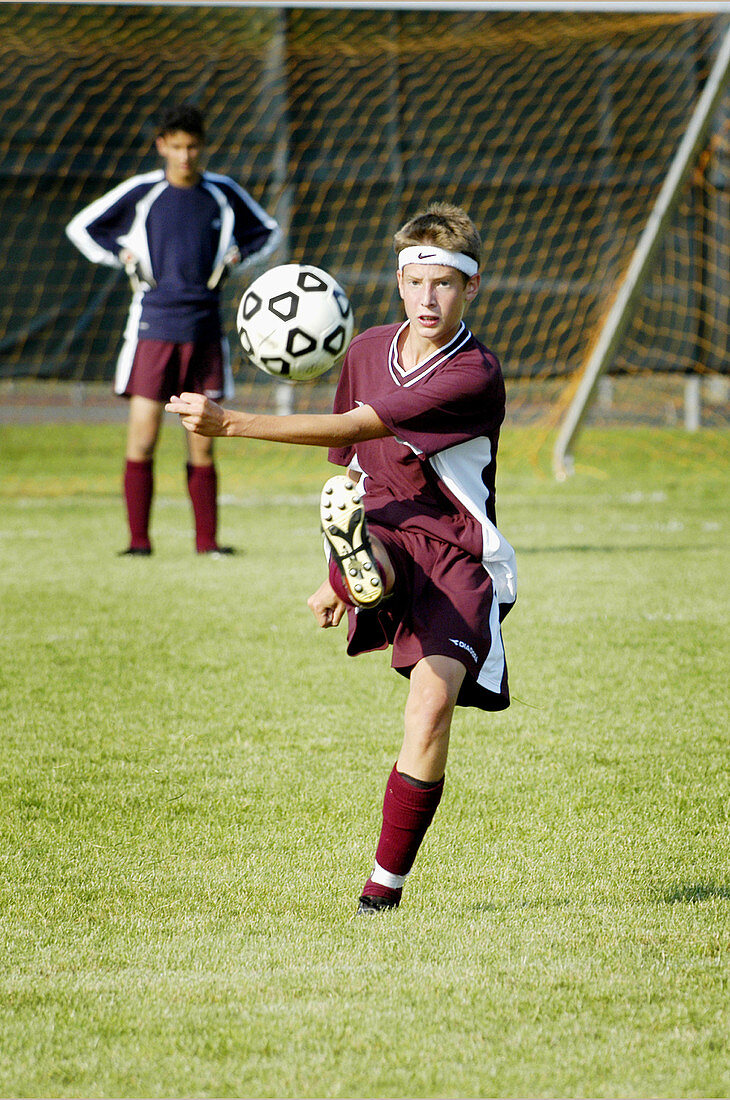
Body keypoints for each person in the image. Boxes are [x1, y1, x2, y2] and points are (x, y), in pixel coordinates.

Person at [166, 201, 517, 915]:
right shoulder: (362, 350)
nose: (428, 298)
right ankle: (354, 571)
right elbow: (353, 465)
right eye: (416, 281)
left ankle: (381, 891)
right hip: (384, 522)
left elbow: (361, 423)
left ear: (470, 289)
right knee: (362, 527)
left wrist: (231, 422)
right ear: (398, 281)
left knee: (431, 709)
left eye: (445, 284)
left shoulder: (474, 372)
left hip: (458, 554)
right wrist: (333, 580)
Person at [66, 103, 281, 556]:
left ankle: (208, 544)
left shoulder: (222, 192)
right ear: (162, 146)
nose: (186, 156)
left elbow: (268, 231)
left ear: (204, 147)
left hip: (204, 329)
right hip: (152, 327)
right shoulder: (143, 191)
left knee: (203, 444)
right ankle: (138, 543)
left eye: (193, 147)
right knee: (143, 438)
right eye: (177, 147)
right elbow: (82, 227)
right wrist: (121, 254)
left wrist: (239, 254)